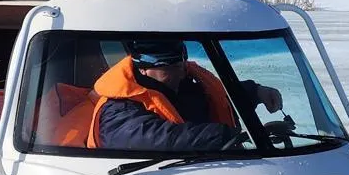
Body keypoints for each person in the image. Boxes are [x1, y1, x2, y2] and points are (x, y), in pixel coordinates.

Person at [88, 39, 282, 152]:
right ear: (144, 69)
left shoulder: (178, 86)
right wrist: (229, 136)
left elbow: (217, 98)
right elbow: (164, 139)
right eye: (171, 68)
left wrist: (256, 92)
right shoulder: (117, 110)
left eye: (182, 66)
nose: (181, 74)